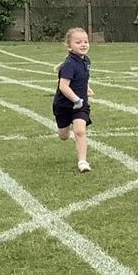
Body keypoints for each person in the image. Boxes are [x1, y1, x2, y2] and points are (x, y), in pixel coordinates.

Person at [53, 27, 94, 173]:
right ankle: (67, 126)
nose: (83, 44)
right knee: (63, 136)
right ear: (69, 46)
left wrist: (87, 89)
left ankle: (82, 162)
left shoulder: (86, 61)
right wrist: (76, 99)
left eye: (85, 41)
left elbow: (82, 78)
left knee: (80, 131)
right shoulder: (69, 64)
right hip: (64, 105)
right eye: (78, 42)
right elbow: (63, 86)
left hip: (80, 105)